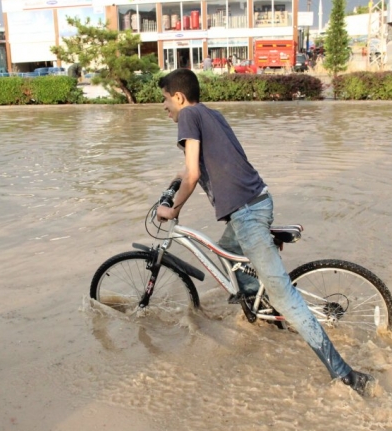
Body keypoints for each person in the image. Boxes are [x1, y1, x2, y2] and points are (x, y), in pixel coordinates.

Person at [155, 68, 374, 396]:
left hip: (246, 214)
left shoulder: (188, 116)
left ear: (179, 97)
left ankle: (345, 374)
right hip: (256, 202)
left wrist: (172, 210)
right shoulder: (211, 114)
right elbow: (192, 169)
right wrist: (173, 186)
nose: (164, 107)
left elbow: (193, 172)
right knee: (229, 259)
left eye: (164, 100)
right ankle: (264, 314)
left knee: (285, 296)